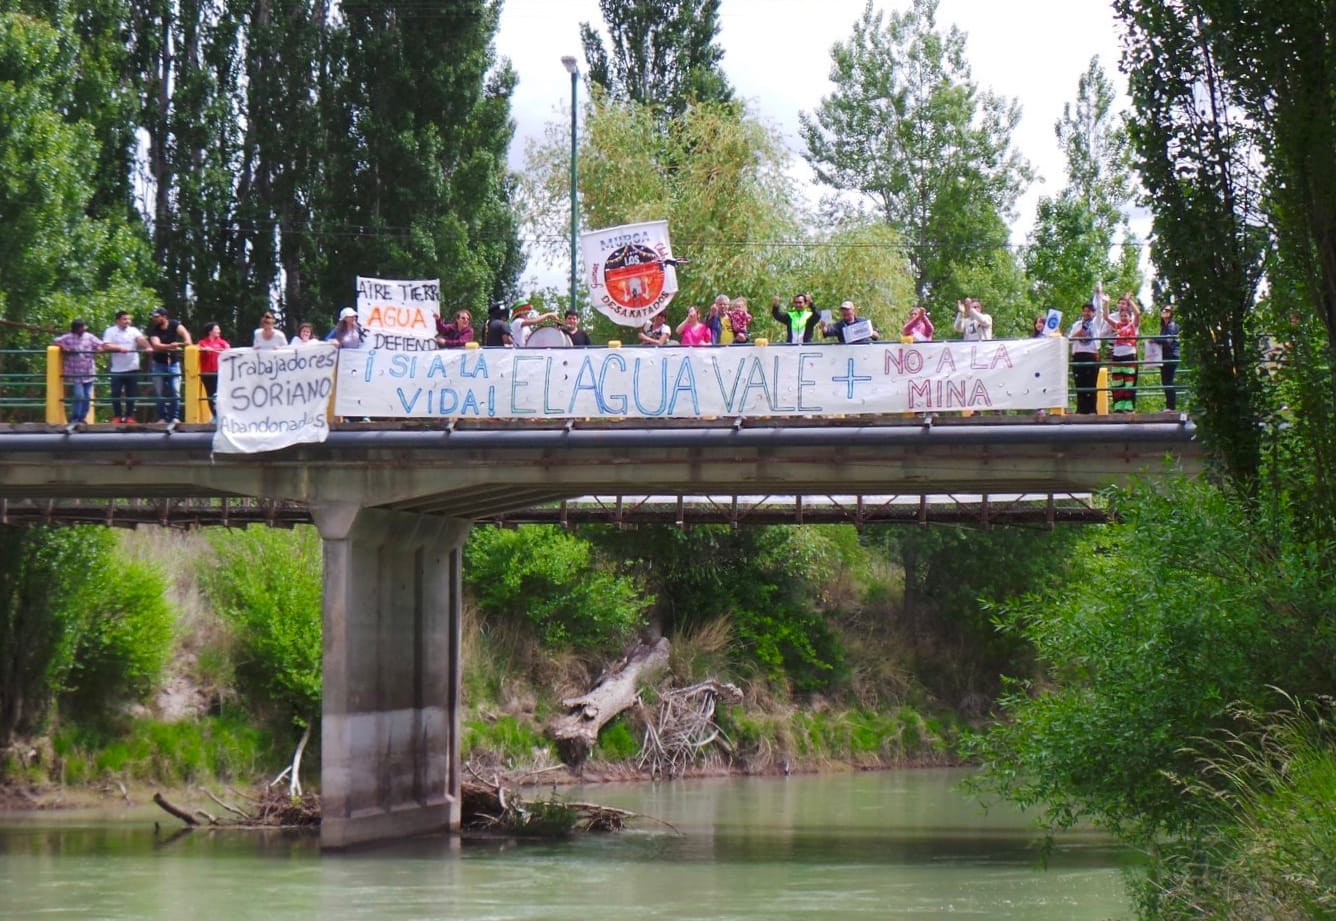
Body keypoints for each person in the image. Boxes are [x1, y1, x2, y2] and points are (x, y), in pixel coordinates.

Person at [52, 319, 108, 427]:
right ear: (76, 329)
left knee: (87, 396)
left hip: (88, 371)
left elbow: (100, 344)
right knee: (79, 395)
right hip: (75, 372)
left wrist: (99, 349)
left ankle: (82, 418)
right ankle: (75, 418)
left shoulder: (89, 337)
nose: (84, 329)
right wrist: (64, 347)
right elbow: (55, 341)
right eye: (82, 327)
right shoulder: (68, 337)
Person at [101, 310, 148, 424]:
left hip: (132, 367)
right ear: (117, 320)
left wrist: (148, 347)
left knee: (131, 393)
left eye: (129, 319)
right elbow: (106, 346)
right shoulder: (110, 331)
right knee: (115, 393)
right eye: (125, 319)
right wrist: (119, 348)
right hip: (117, 369)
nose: (128, 321)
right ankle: (117, 416)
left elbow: (141, 340)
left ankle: (129, 416)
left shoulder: (133, 330)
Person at [146, 307, 191, 423]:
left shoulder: (174, 324)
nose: (155, 319)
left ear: (164, 317)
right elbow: (156, 345)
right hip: (158, 364)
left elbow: (185, 334)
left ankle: (174, 417)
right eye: (154, 317)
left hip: (173, 363)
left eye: (157, 317)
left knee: (175, 390)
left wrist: (185, 342)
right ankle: (162, 417)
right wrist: (171, 346)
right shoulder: (154, 330)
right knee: (159, 392)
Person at [1068, 301, 1108, 415]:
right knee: (1080, 383)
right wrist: (1079, 333)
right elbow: (1069, 339)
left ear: (1093, 313)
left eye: (1089, 311)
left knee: (1091, 383)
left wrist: (1101, 298)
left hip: (1091, 355)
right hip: (1078, 355)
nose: (1086, 313)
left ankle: (1091, 409)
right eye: (1085, 311)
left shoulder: (1096, 323)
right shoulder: (1077, 324)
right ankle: (1080, 409)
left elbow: (1100, 313)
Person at [1107, 294, 1142, 412]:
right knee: (1117, 381)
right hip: (1117, 356)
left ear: (1129, 317)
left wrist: (1129, 300)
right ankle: (1118, 406)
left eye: (1125, 316)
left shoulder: (1133, 325)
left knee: (1129, 381)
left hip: (1129, 355)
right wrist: (1107, 302)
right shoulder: (1117, 325)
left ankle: (1128, 407)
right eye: (1121, 316)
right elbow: (1106, 317)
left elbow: (1138, 313)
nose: (1123, 318)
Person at [196, 322, 230, 414]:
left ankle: (222, 413)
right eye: (217, 329)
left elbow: (229, 350)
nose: (219, 331)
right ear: (210, 331)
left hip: (219, 373)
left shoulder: (222, 343)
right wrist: (204, 349)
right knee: (210, 394)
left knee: (219, 394)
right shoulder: (202, 343)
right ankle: (214, 414)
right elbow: (196, 349)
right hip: (207, 373)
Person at [1158, 305, 1180, 411]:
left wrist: (1155, 340)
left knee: (1168, 381)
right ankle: (1169, 406)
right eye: (1162, 310)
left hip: (1171, 356)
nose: (1164, 311)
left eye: (1167, 310)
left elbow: (1168, 341)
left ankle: (1171, 407)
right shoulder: (1164, 327)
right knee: (1165, 381)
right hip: (1164, 356)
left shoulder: (1172, 325)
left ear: (1171, 313)